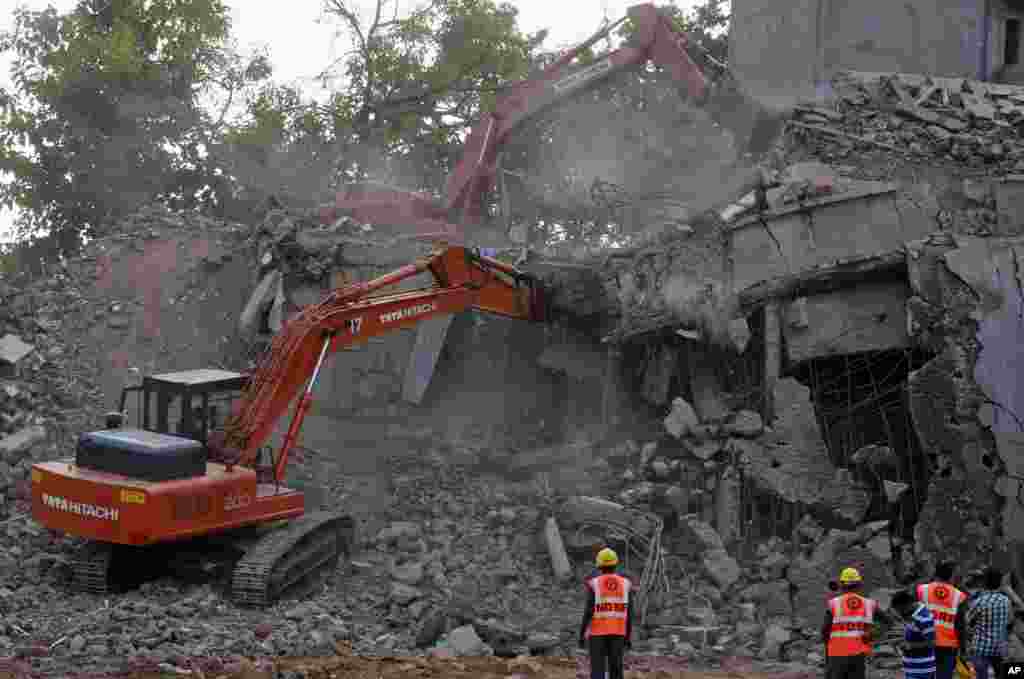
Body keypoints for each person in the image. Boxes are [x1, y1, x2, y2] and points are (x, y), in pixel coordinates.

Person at [579, 547, 633, 679]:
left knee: (598, 670)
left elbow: (588, 611)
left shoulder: (594, 583)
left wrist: (581, 633)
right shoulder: (625, 584)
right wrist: (628, 636)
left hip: (597, 633)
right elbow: (630, 613)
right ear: (616, 564)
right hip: (618, 632)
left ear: (599, 565)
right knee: (616, 669)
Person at [822, 567, 878, 679]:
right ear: (859, 584)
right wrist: (872, 635)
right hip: (858, 654)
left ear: (842, 584)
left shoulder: (834, 603)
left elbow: (825, 630)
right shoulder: (869, 604)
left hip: (837, 653)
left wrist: (828, 648)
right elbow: (889, 621)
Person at [917, 562, 969, 679]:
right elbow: (960, 625)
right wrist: (963, 649)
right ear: (951, 576)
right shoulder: (958, 595)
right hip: (948, 644)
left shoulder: (921, 590)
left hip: (924, 641)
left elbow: (913, 616)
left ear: (936, 574)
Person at [965, 566, 1012, 679]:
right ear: (1000, 582)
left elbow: (967, 621)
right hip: (1000, 649)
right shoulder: (1006, 601)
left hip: (981, 649)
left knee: (982, 676)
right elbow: (1010, 621)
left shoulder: (979, 601)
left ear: (984, 582)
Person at [892, 589, 937, 679]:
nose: (900, 613)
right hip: (913, 667)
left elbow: (932, 642)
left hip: (922, 669)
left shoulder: (924, 618)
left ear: (907, 604)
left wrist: (910, 646)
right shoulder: (913, 615)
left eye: (901, 610)